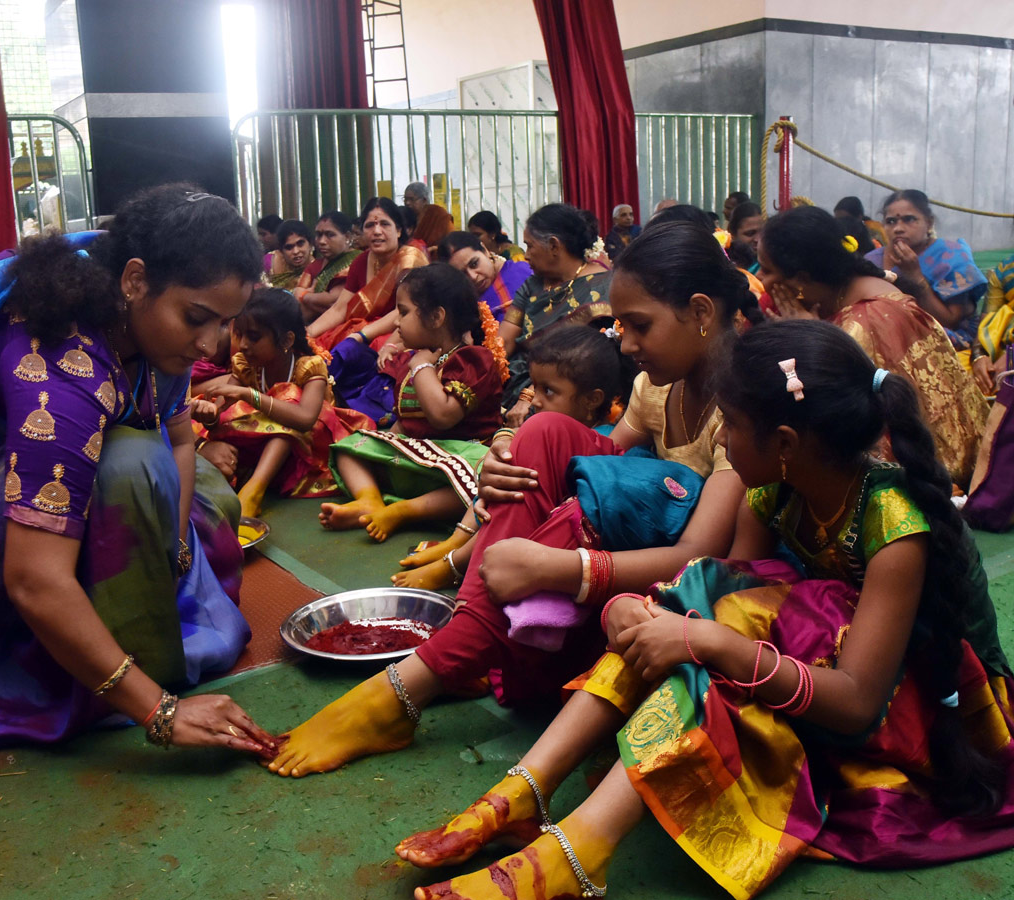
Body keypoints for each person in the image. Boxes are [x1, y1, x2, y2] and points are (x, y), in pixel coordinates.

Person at [398, 318, 1014, 900]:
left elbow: (854, 700)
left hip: (924, 702)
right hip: (815, 657)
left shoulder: (894, 527)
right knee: (699, 613)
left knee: (719, 630)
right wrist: (640, 609)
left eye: (732, 423)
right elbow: (724, 586)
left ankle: (579, 851)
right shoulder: (773, 484)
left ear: (785, 443)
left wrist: (707, 641)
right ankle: (524, 791)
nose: (720, 437)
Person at [265, 223, 749, 778]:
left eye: (640, 326)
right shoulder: (654, 387)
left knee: (547, 455)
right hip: (623, 574)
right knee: (543, 431)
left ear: (702, 312)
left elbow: (701, 552)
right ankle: (452, 652)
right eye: (623, 327)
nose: (628, 345)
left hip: (682, 596)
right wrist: (507, 461)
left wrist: (555, 564)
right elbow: (593, 476)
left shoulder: (744, 405)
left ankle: (414, 682)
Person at [0, 185, 277, 755]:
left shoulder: (149, 319)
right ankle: (61, 684)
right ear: (135, 280)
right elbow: (33, 579)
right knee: (129, 471)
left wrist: (170, 542)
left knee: (201, 489)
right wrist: (161, 712)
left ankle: (106, 624)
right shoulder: (62, 364)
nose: (210, 343)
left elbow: (181, 440)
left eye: (225, 323)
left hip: (4, 453)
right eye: (198, 319)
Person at [394, 323, 636, 592]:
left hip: (557, 548)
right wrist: (505, 439)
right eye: (535, 388)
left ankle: (455, 563)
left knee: (516, 484)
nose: (535, 401)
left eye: (549, 391)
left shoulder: (600, 443)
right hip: (521, 532)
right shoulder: (555, 432)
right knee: (506, 471)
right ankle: (457, 542)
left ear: (592, 400)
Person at [759, 206, 987, 486]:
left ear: (803, 279)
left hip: (922, 468)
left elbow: (845, 420)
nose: (760, 279)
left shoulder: (863, 322)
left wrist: (813, 337)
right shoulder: (845, 292)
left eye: (767, 270)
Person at [318, 264, 502, 541]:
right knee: (349, 447)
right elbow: (405, 423)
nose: (395, 322)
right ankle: (369, 500)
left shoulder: (472, 360)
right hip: (421, 462)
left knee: (484, 478)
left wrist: (421, 367)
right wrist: (378, 451)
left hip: (461, 462)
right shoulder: (413, 361)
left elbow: (443, 415)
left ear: (437, 317)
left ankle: (405, 511)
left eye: (403, 312)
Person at [193, 289, 371, 518]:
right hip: (268, 451)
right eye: (240, 335)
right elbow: (223, 414)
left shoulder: (309, 367)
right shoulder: (246, 365)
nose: (244, 345)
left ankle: (254, 490)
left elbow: (305, 419)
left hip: (312, 451)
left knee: (287, 397)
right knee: (195, 420)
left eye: (254, 337)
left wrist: (249, 395)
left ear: (286, 340)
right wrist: (210, 415)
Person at [499, 204, 614, 426]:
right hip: (518, 381)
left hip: (564, 390)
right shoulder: (533, 285)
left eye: (530, 246)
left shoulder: (602, 288)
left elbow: (582, 361)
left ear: (554, 246)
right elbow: (503, 342)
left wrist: (529, 395)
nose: (526, 255)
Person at [864, 189, 987, 349]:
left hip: (946, 337)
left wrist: (915, 276)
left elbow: (950, 320)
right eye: (891, 221)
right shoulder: (873, 259)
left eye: (909, 219)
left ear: (929, 223)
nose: (898, 228)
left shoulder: (950, 256)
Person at [306, 196, 428, 351]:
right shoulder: (361, 261)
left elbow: (403, 313)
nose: (377, 231)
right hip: (364, 332)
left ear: (398, 230)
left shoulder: (410, 260)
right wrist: (308, 333)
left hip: (401, 333)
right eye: (370, 225)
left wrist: (362, 335)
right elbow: (340, 308)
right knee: (320, 344)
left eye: (384, 224)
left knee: (360, 347)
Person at [438, 230, 533, 322]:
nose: (473, 276)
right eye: (463, 274)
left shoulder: (524, 272)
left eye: (474, 264)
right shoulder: (465, 307)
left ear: (485, 250)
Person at [292, 211, 361, 322]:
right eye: (319, 235)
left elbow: (333, 303)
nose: (322, 241)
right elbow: (296, 301)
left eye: (330, 235)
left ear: (347, 236)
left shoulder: (355, 262)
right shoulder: (314, 266)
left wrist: (304, 296)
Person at [970, 253, 1014, 394]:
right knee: (953, 374)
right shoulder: (1005, 269)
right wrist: (979, 356)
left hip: (1008, 355)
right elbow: (986, 325)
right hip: (1002, 352)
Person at [265, 219, 314, 290]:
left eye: (300, 244)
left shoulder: (320, 271)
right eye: (289, 247)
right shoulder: (269, 263)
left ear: (310, 244)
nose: (296, 251)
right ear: (281, 251)